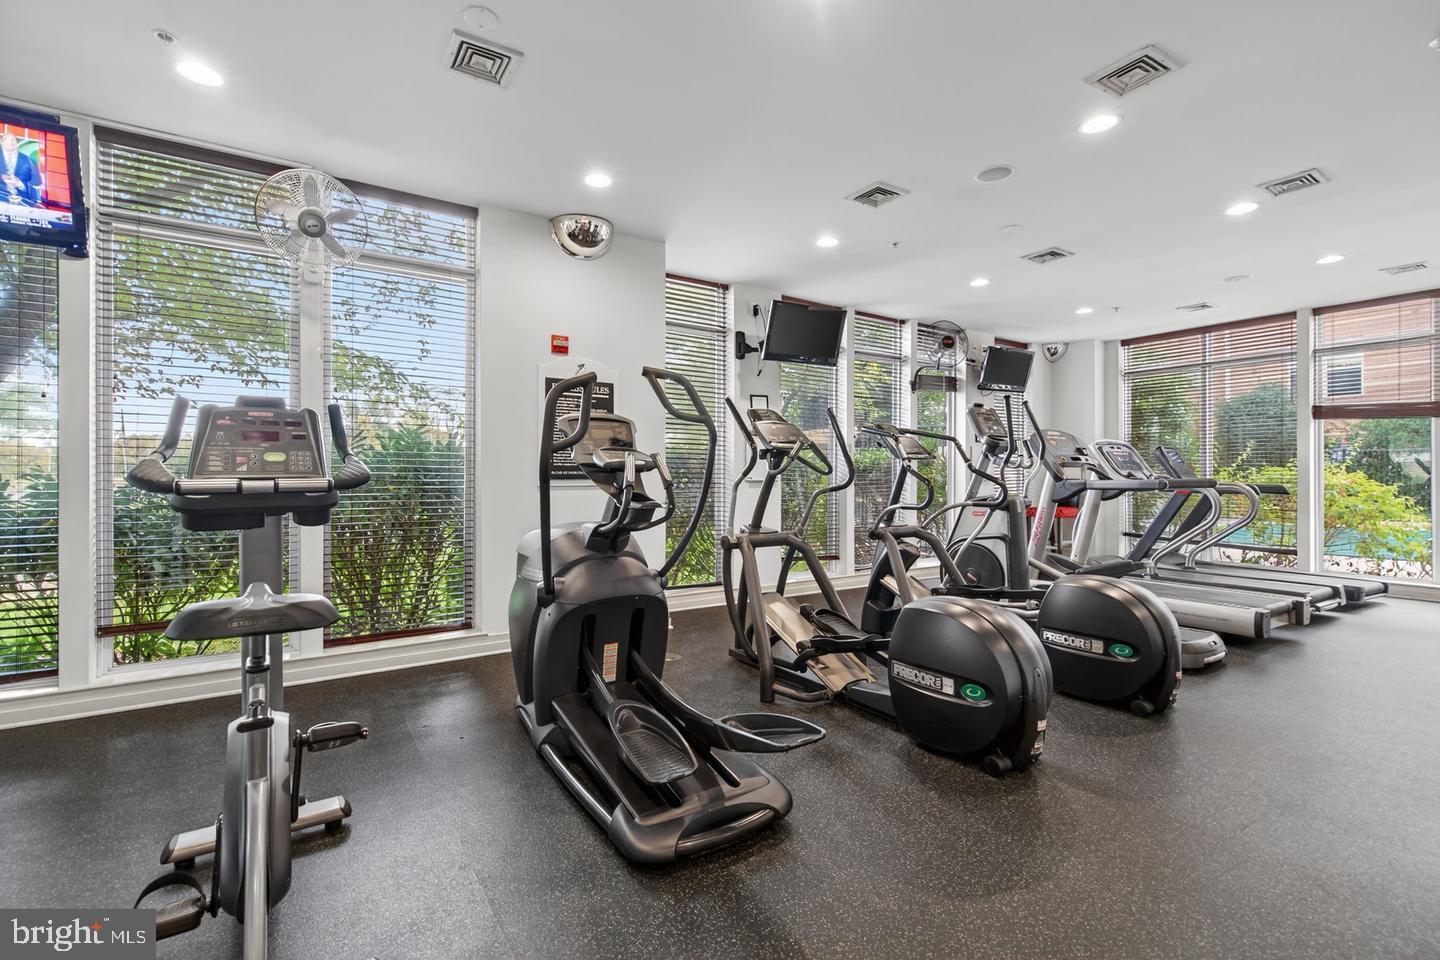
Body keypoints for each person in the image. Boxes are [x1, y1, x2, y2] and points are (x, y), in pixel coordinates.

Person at [1, 132, 42, 205]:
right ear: (2, 141)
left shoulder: (29, 160)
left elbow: (37, 183)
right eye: (7, 139)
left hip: (22, 202)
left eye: (13, 139)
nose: (10, 142)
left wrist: (20, 184)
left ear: (17, 142)